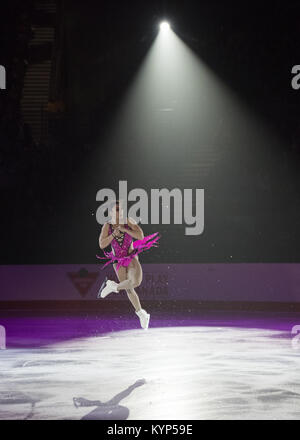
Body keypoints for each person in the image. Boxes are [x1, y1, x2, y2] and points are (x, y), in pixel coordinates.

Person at [97, 200, 160, 330]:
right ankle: (141, 313)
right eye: (118, 209)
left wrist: (125, 229)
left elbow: (141, 236)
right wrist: (114, 234)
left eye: (122, 209)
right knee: (128, 288)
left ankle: (112, 287)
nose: (121, 211)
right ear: (111, 212)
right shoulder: (107, 226)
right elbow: (102, 244)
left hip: (131, 257)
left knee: (135, 281)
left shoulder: (128, 221)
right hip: (117, 261)